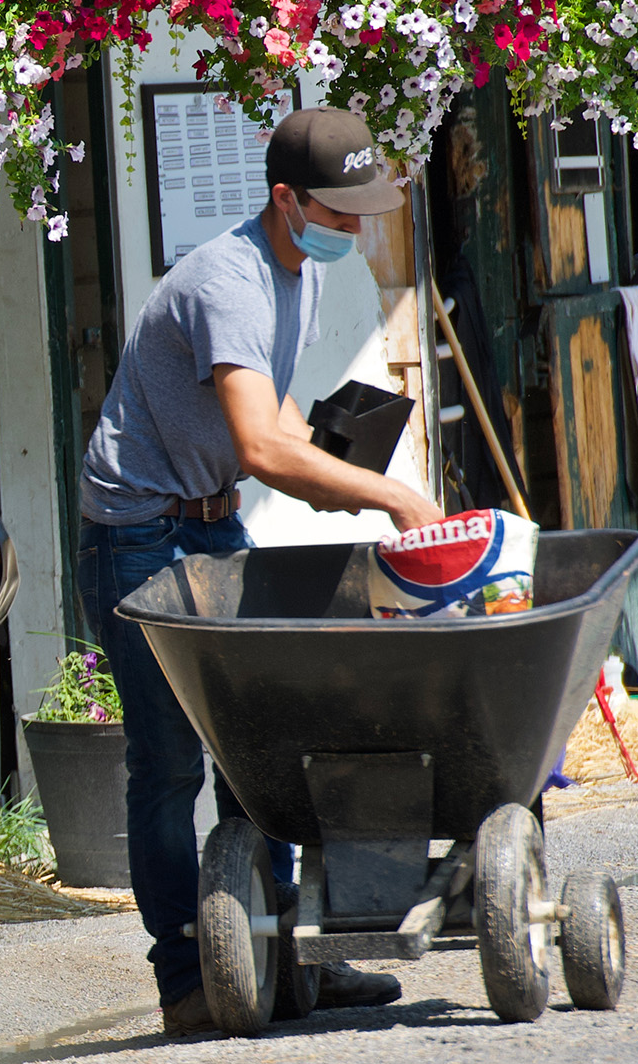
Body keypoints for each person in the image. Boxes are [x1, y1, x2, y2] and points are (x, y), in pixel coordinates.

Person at [75, 107, 447, 1035]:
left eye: (364, 211)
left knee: (259, 752)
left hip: (210, 521)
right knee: (167, 761)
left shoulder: (297, 275)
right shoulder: (227, 282)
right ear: (286, 198)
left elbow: (277, 426)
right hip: (137, 534)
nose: (354, 229)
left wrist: (343, 469)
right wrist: (390, 496)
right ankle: (188, 983)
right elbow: (259, 445)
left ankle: (286, 965)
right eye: (340, 211)